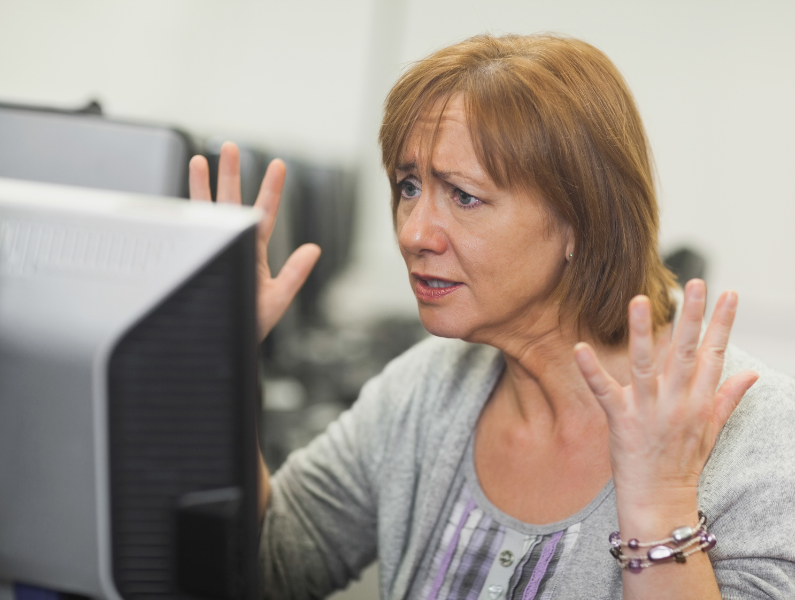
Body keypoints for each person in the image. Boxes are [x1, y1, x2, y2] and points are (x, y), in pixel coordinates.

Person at [189, 34, 795, 600]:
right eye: (408, 186)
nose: (414, 233)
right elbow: (271, 566)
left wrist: (661, 506)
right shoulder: (427, 387)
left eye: (464, 195)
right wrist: (221, 363)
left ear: (582, 223)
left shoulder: (760, 437)